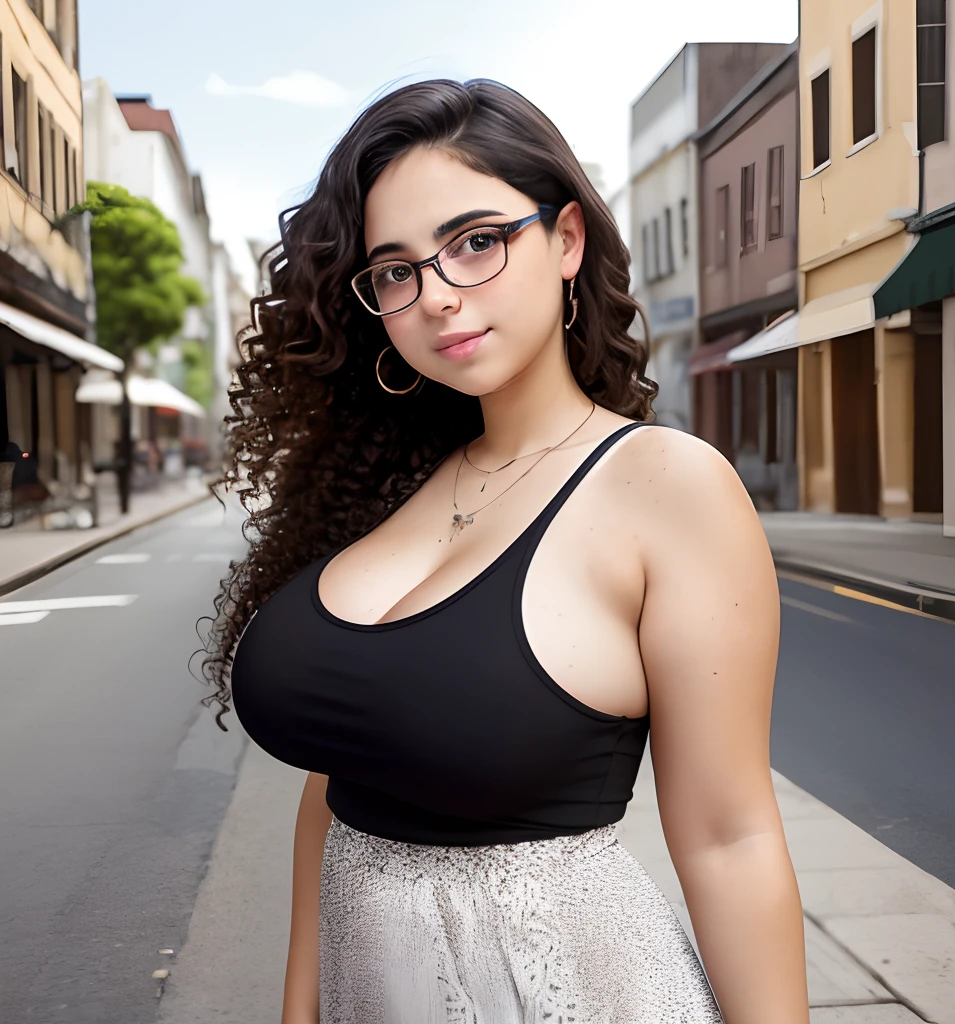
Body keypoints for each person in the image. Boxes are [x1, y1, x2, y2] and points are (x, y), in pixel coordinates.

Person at [205, 79, 809, 1024]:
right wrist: (301, 1008)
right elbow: (343, 770)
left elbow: (730, 838)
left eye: (476, 242)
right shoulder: (388, 481)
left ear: (566, 240)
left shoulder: (666, 487)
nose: (436, 296)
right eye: (397, 270)